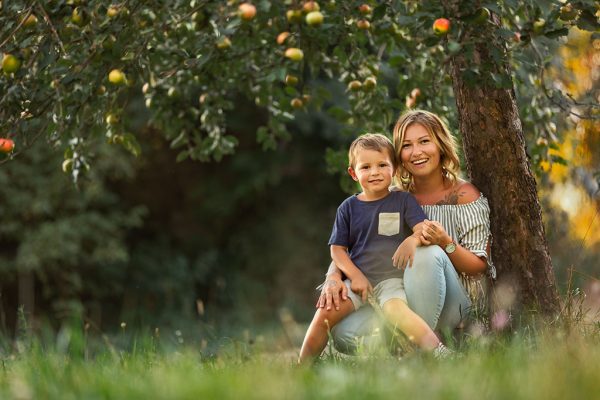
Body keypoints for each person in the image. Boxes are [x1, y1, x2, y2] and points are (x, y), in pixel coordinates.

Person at [317, 110, 496, 354]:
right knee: (342, 332)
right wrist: (333, 277)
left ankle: (420, 348)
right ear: (398, 155)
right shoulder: (392, 197)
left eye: (424, 141)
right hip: (398, 301)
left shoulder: (465, 196)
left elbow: (478, 267)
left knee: (425, 254)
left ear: (440, 145)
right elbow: (354, 245)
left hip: (455, 307)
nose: (417, 152)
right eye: (407, 145)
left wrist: (445, 242)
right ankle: (416, 347)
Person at [298, 133, 452, 363]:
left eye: (382, 165)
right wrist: (355, 276)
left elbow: (423, 229)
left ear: (395, 168)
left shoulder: (402, 200)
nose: (375, 172)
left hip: (392, 281)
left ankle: (439, 352)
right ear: (353, 173)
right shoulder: (348, 208)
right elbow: (337, 250)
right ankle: (303, 366)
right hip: (357, 281)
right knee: (325, 313)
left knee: (395, 311)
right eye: (366, 167)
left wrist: (412, 240)